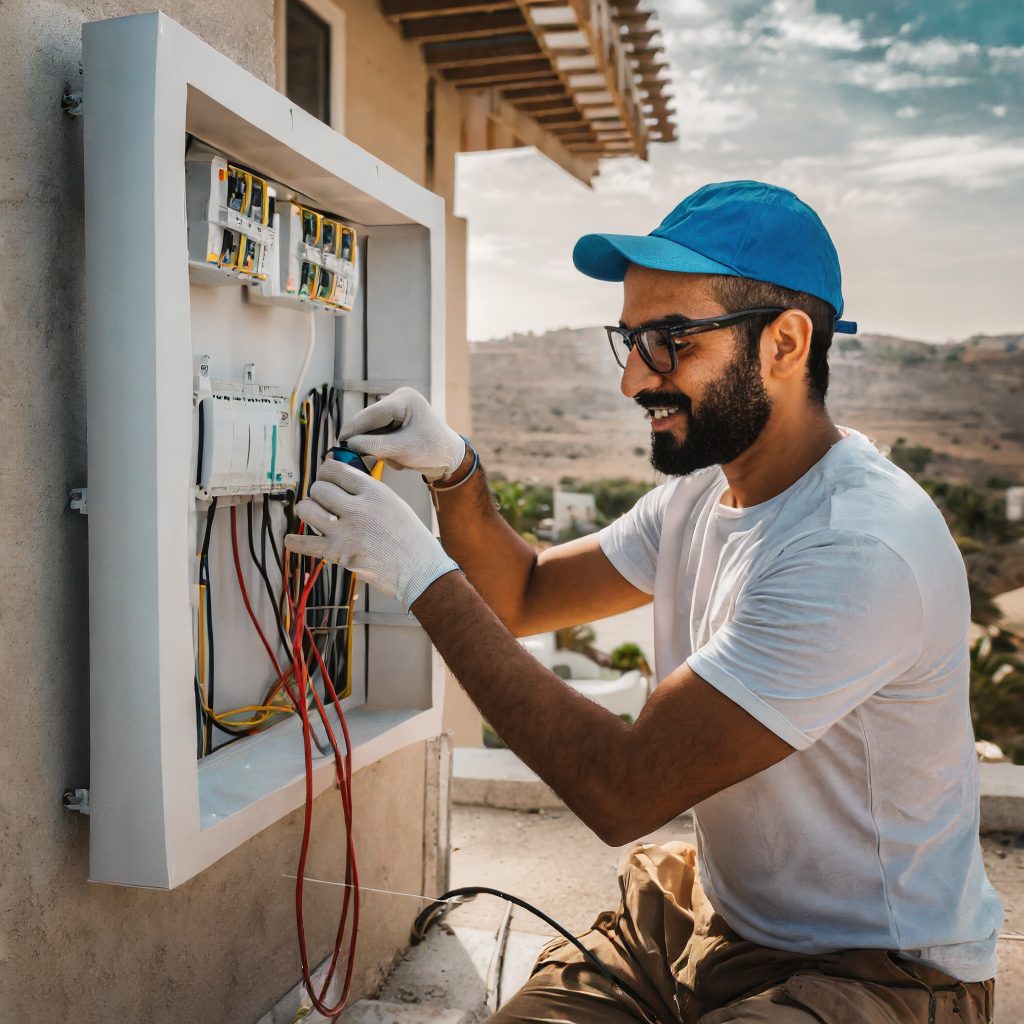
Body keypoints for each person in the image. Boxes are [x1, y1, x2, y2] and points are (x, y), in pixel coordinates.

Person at [285, 181, 1001, 1023]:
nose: (633, 379)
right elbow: (524, 593)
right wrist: (455, 472)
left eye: (670, 341)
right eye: (629, 340)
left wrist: (419, 576)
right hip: (706, 921)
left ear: (786, 343)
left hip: (877, 972)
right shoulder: (702, 496)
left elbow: (621, 791)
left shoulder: (857, 547)